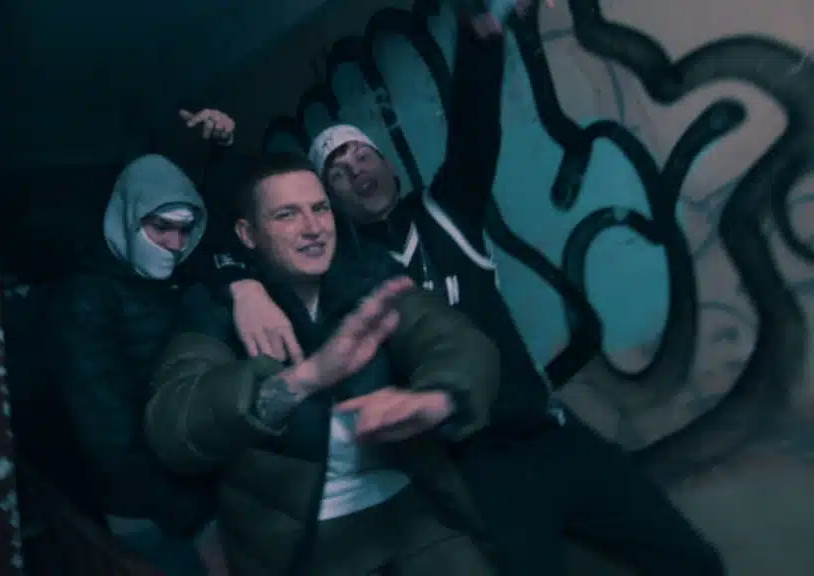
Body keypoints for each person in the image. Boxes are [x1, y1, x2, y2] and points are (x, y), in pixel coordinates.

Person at [210, 4, 726, 576]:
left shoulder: (445, 212)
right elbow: (256, 234)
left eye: (363, 154)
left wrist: (481, 42)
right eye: (337, 170)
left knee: (692, 560)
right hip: (475, 471)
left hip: (551, 435)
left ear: (388, 166)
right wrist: (240, 281)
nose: (356, 169)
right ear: (330, 201)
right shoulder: (339, 274)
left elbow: (475, 129)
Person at [144, 153, 502, 576]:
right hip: (297, 541)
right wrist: (303, 379)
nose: (313, 228)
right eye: (287, 215)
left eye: (320, 209)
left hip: (411, 511)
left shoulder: (368, 274)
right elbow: (174, 427)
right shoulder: (214, 308)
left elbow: (453, 339)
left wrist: (440, 397)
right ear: (248, 234)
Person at [50, 108, 236, 576]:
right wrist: (196, 523)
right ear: (130, 219)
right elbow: (109, 438)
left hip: (206, 492)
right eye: (161, 227)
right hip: (143, 510)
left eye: (184, 229)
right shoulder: (86, 300)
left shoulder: (182, 279)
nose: (175, 242)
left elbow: (232, 231)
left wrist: (222, 152)